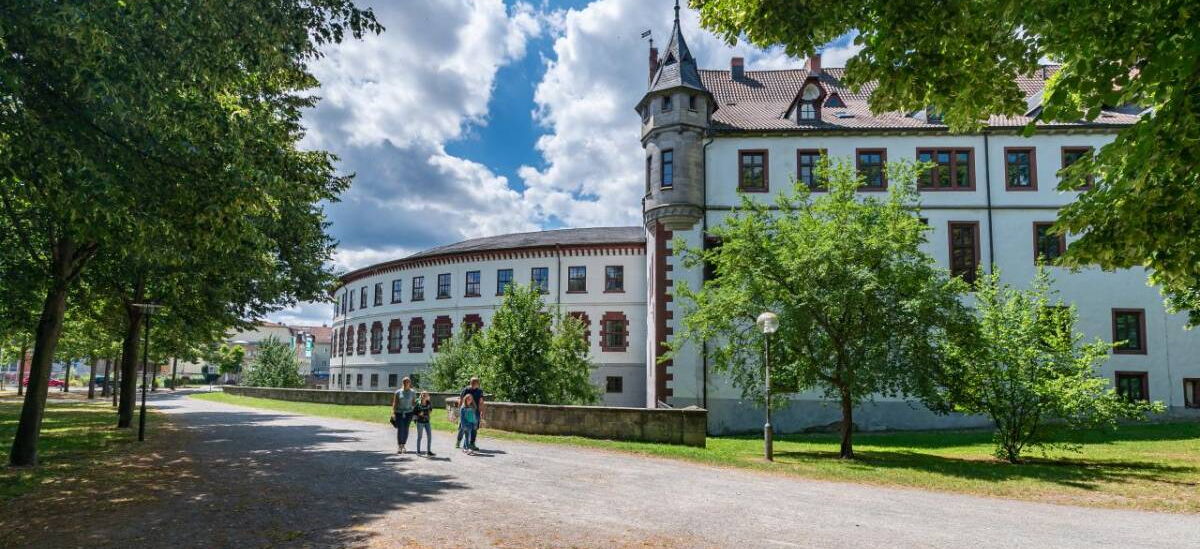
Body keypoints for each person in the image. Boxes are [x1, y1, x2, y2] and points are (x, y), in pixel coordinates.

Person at [455, 377, 484, 451]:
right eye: (473, 382)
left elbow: (481, 402)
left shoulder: (480, 391)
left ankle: (472, 443)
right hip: (465, 411)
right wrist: (460, 411)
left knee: (474, 428)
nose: (475, 384)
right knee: (462, 427)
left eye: (476, 382)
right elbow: (461, 400)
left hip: (475, 412)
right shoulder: (466, 390)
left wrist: (481, 411)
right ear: (471, 383)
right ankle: (458, 441)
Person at [391, 377, 416, 454]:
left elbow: (414, 403)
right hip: (399, 413)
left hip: (409, 413)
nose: (406, 383)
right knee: (400, 429)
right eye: (405, 382)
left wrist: (415, 413)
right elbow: (395, 403)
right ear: (403, 383)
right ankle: (399, 446)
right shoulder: (398, 392)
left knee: (406, 429)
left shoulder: (413, 392)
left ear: (410, 383)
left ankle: (403, 445)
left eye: (408, 382)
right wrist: (393, 413)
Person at [413, 391, 435, 456]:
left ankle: (428, 451)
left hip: (427, 421)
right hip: (420, 422)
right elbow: (414, 412)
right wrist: (419, 414)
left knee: (429, 436)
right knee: (420, 437)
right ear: (421, 396)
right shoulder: (418, 403)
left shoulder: (428, 403)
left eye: (426, 395)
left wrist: (429, 412)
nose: (424, 396)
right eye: (423, 394)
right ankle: (418, 451)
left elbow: (431, 410)